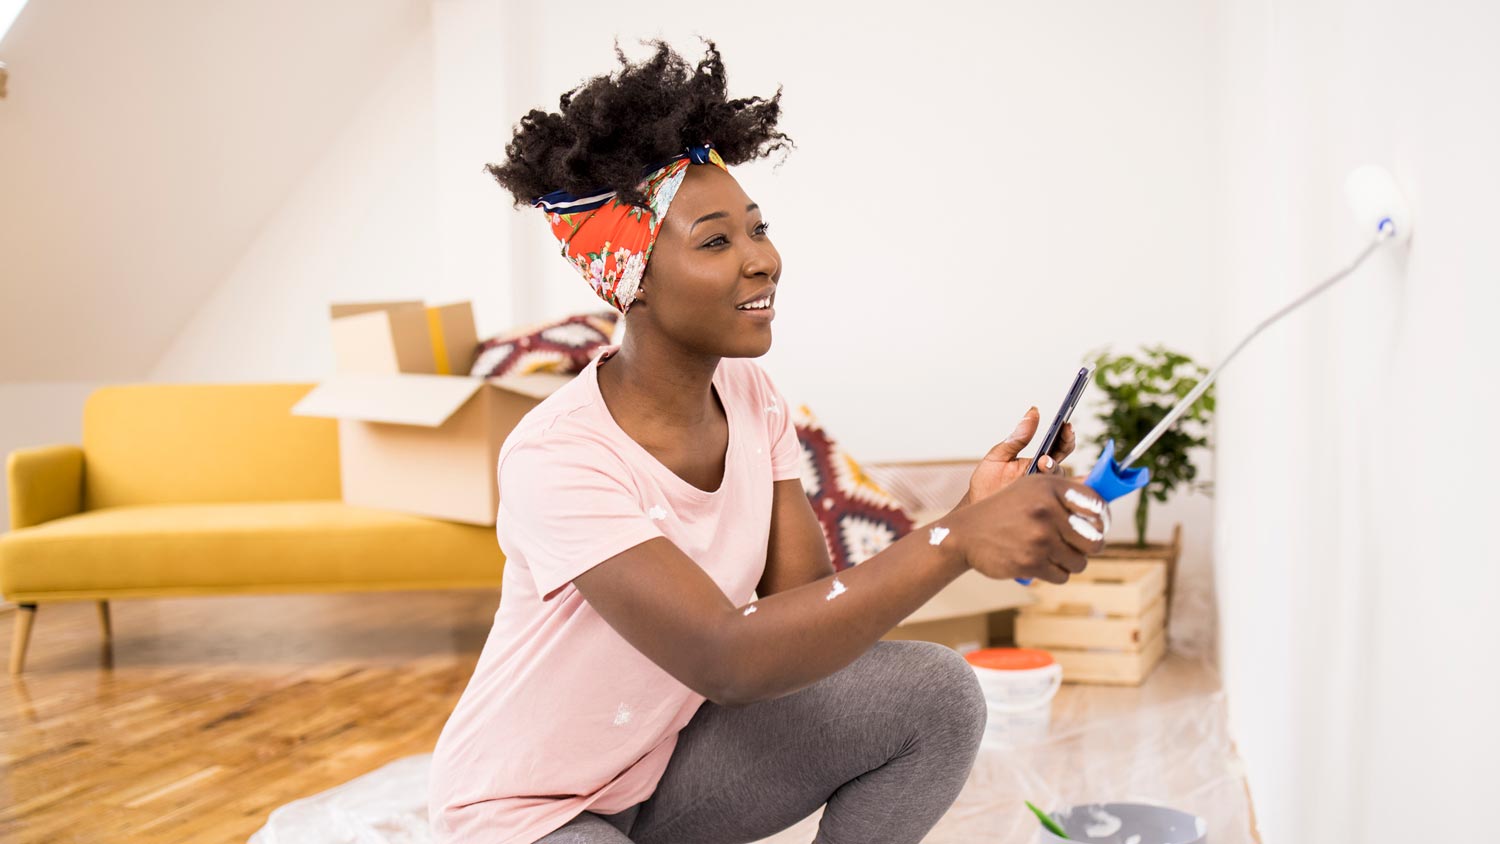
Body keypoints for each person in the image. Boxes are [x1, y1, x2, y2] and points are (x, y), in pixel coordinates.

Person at [428, 39, 1109, 844]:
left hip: (664, 772)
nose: (763, 261)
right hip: (532, 813)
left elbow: (800, 623)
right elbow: (728, 659)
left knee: (935, 693)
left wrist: (965, 514)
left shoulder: (751, 396)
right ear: (631, 277)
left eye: (758, 229)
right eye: (716, 242)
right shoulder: (559, 457)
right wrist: (957, 542)